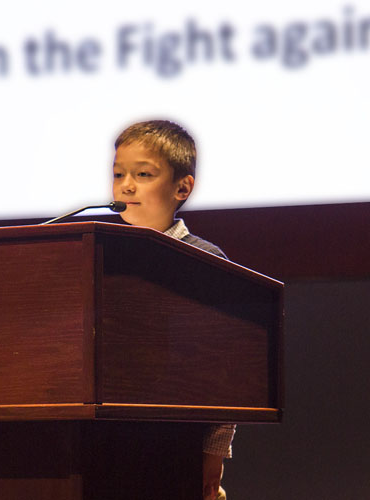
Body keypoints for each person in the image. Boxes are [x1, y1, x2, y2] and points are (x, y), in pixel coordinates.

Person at [111, 119, 235, 500]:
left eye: (143, 174)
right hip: (106, 440)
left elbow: (224, 370)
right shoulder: (99, 254)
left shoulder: (204, 260)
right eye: (118, 175)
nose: (126, 186)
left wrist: (213, 450)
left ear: (182, 187)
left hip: (177, 444)